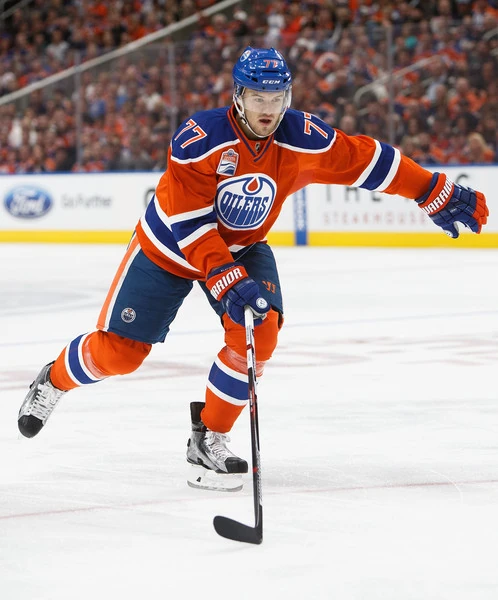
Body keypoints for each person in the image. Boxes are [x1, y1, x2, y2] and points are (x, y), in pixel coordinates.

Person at [18, 47, 489, 492]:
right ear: (238, 96)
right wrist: (224, 278)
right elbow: (191, 225)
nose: (268, 109)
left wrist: (431, 189)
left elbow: (367, 160)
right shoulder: (199, 140)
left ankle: (208, 438)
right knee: (121, 355)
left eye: (277, 97)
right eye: (258, 97)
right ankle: (53, 380)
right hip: (168, 250)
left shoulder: (302, 138)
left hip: (242, 248)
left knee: (259, 334)